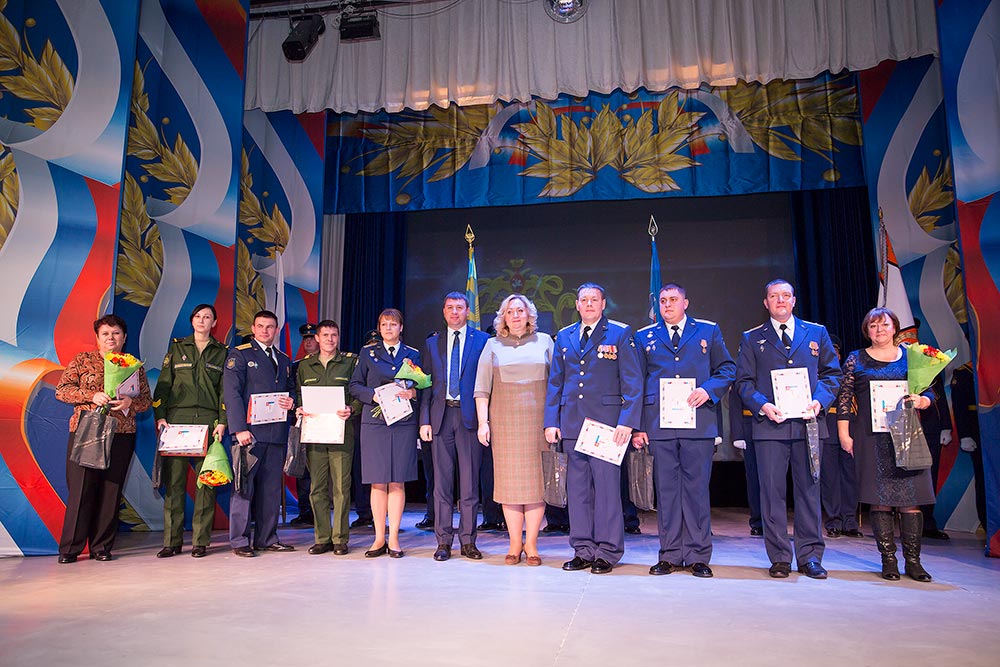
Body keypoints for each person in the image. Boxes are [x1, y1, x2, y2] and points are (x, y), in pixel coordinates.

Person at [735, 279, 841, 579]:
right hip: (770, 426)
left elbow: (832, 374)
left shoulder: (816, 333)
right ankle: (780, 557)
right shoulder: (752, 338)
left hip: (809, 425)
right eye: (774, 296)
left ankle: (810, 557)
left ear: (794, 300)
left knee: (809, 492)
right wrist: (763, 405)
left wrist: (820, 401)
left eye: (785, 295)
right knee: (772, 495)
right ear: (766, 303)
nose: (780, 300)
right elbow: (743, 382)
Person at [632, 284, 736, 577]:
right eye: (663, 300)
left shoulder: (707, 331)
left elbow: (727, 369)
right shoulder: (644, 336)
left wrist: (708, 390)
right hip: (660, 425)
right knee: (666, 492)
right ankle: (669, 554)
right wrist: (639, 427)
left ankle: (698, 555)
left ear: (685, 303)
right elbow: (636, 381)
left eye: (673, 299)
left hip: (698, 423)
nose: (667, 305)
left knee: (696, 491)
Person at [544, 283, 643, 574]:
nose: (588, 304)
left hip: (606, 425)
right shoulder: (565, 336)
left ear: (603, 304)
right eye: (584, 300)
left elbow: (633, 381)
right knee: (577, 492)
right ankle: (583, 549)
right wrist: (551, 421)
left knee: (607, 491)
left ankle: (608, 551)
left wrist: (627, 422)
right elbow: (555, 382)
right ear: (577, 304)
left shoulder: (620, 333)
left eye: (594, 300)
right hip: (573, 423)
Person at [837, 307, 937, 582]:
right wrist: (844, 434)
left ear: (895, 328)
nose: (879, 330)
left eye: (884, 325)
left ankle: (914, 562)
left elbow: (929, 391)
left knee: (911, 501)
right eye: (873, 326)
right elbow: (844, 399)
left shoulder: (912, 357)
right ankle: (888, 560)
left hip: (906, 436)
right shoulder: (855, 359)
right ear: (866, 331)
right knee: (880, 500)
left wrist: (923, 400)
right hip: (870, 437)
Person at [55, 314, 152, 563]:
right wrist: (91, 396)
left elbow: (145, 401)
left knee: (111, 490)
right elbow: (62, 391)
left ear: (124, 337)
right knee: (82, 489)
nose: (111, 338)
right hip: (87, 431)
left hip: (122, 432)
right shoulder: (83, 360)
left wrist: (130, 403)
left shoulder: (133, 365)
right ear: (97, 338)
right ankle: (71, 548)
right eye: (106, 334)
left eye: (116, 333)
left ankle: (101, 546)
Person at [474, 294, 554, 566]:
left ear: (529, 314)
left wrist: (554, 422)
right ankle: (514, 543)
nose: (516, 316)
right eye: (510, 312)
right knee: (509, 485)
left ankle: (531, 544)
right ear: (503, 317)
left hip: (538, 424)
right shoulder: (492, 345)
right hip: (505, 425)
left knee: (535, 486)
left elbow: (557, 386)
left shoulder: (545, 341)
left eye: (520, 310)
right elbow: (482, 389)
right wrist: (483, 423)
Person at [153, 304, 228, 558]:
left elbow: (225, 391)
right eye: (198, 316)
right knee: (174, 484)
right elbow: (164, 385)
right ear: (192, 320)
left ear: (214, 323)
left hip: (208, 422)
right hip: (177, 422)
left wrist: (222, 421)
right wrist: (161, 416)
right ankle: (171, 542)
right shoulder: (177, 348)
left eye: (207, 317)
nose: (202, 320)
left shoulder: (222, 352)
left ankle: (200, 541)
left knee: (206, 483)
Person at [420, 292, 490, 561]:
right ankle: (443, 541)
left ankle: (468, 541)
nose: (454, 312)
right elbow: (426, 385)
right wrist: (424, 420)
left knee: (470, 484)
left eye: (459, 307)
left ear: (467, 311)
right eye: (449, 307)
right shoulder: (432, 343)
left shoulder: (482, 340)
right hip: (440, 417)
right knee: (442, 484)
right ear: (443, 311)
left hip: (469, 417)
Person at [223, 310, 296, 557]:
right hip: (250, 434)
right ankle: (240, 541)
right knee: (244, 488)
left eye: (270, 327)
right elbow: (231, 393)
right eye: (261, 326)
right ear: (253, 329)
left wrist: (292, 402)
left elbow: (290, 389)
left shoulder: (283, 359)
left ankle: (267, 538)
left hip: (276, 433)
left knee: (271, 490)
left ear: (277, 330)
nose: (265, 331)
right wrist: (239, 428)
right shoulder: (240, 354)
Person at [349, 308, 422, 558]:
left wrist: (413, 393)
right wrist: (373, 395)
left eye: (393, 324)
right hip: (375, 423)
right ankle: (379, 538)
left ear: (401, 328)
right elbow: (354, 385)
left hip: (402, 422)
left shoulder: (412, 354)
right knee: (378, 481)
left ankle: (394, 539)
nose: (388, 328)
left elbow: (423, 385)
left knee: (397, 480)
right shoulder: (368, 353)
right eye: (384, 324)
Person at [296, 319, 359, 555]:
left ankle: (340, 538)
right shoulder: (305, 366)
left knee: (341, 488)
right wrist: (299, 408)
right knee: (317, 488)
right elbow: (299, 395)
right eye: (325, 335)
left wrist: (352, 409)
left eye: (334, 335)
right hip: (315, 434)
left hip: (341, 433)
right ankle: (322, 538)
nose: (330, 339)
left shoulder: (349, 363)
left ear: (338, 337)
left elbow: (358, 394)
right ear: (317, 338)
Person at [819, 335, 862, 539]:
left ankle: (850, 522)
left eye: (835, 352)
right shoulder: (819, 374)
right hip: (827, 426)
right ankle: (833, 521)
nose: (833, 355)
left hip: (851, 427)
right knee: (830, 478)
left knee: (850, 477)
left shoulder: (850, 371)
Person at [951, 362, 987, 534]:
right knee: (984, 479)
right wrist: (965, 434)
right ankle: (988, 523)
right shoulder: (965, 372)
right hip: (977, 431)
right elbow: (959, 406)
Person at [289, 322, 320, 528]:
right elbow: (292, 392)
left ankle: (319, 511)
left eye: (312, 338)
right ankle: (305, 511)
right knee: (302, 468)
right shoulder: (296, 366)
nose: (308, 342)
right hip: (303, 421)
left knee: (321, 470)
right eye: (305, 339)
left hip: (324, 421)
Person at [729, 388, 763, 536]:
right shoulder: (744, 373)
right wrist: (738, 434)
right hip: (749, 424)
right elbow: (735, 397)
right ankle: (758, 521)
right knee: (754, 476)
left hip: (778, 423)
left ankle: (775, 521)